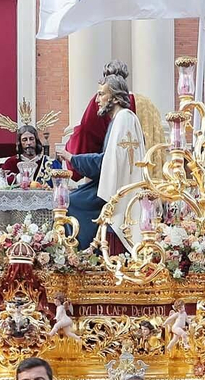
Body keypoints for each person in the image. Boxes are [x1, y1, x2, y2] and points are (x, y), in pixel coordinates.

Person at [53, 75, 146, 250]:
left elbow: (107, 161)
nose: (97, 100)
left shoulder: (123, 118)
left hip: (119, 189)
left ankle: (83, 252)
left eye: (101, 94)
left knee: (71, 202)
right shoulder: (119, 119)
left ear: (116, 97)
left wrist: (72, 158)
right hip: (114, 183)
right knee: (72, 197)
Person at [65, 60, 135, 156]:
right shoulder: (137, 104)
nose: (98, 100)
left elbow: (86, 130)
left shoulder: (109, 104)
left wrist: (73, 157)